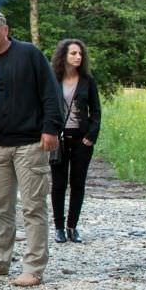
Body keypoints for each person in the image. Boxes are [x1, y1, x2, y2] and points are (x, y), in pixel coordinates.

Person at [0, 11, 62, 287]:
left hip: (31, 142)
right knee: (1, 206)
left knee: (33, 207)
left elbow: (50, 92)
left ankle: (33, 267)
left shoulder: (29, 54)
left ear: (5, 30)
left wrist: (51, 128)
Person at [49, 39, 101, 244]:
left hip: (81, 139)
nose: (78, 57)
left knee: (78, 183)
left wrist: (91, 135)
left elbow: (96, 111)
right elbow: (46, 107)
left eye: (80, 53)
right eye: (73, 53)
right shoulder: (53, 79)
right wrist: (48, 132)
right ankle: (59, 227)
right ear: (64, 56)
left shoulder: (88, 80)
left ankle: (73, 226)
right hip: (58, 138)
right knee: (58, 184)